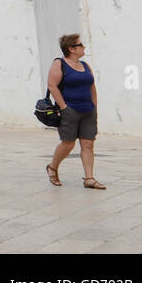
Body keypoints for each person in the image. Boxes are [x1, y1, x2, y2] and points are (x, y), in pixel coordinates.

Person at [46, 34, 105, 189]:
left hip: (88, 110)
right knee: (68, 144)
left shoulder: (85, 65)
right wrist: (64, 107)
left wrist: (94, 106)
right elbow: (52, 86)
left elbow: (92, 87)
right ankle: (52, 167)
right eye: (81, 45)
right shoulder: (60, 64)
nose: (84, 47)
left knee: (88, 144)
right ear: (71, 49)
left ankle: (89, 178)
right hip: (70, 110)